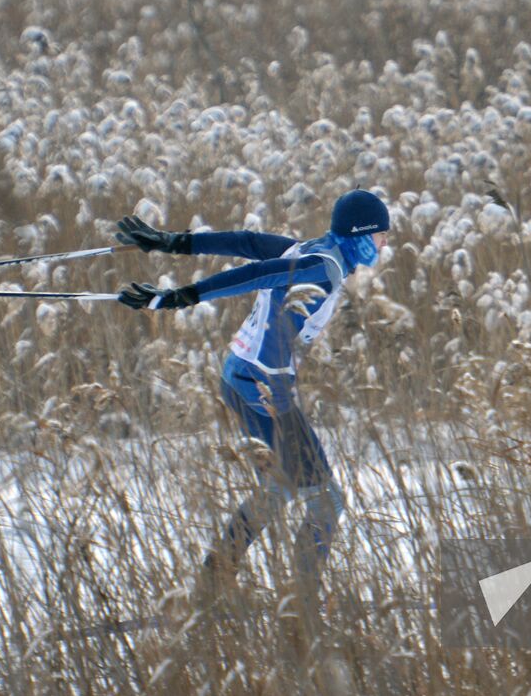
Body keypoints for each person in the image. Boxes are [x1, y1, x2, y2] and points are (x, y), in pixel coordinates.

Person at [114, 190, 390, 599]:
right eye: (381, 235)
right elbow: (255, 274)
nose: (385, 244)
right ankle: (302, 602)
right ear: (362, 234)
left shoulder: (317, 251)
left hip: (240, 379)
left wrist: (172, 242)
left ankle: (213, 580)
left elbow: (246, 243)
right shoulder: (322, 266)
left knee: (281, 485)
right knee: (326, 501)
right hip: (263, 391)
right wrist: (181, 296)